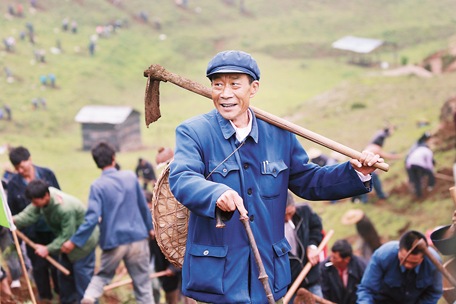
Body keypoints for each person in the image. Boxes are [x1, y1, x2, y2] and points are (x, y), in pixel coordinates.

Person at [168, 50, 383, 303]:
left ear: (253, 87)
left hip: (267, 273)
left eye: (235, 84)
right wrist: (216, 193)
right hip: (218, 278)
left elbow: (309, 181)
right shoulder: (194, 132)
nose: (225, 94)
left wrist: (356, 172)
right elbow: (182, 177)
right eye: (218, 84)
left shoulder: (280, 134)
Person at [61, 141, 154, 304]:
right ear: (113, 157)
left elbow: (91, 219)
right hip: (138, 238)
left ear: (96, 162)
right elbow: (142, 206)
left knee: (102, 276)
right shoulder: (130, 177)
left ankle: (89, 296)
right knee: (143, 285)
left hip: (114, 240)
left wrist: (74, 241)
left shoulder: (97, 186)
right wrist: (150, 228)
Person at [13, 179, 99, 303]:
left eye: (35, 202)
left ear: (46, 196)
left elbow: (67, 235)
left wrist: (47, 249)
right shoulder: (43, 198)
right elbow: (30, 215)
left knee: (83, 281)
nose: (34, 204)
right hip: (65, 247)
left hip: (82, 245)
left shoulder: (64, 208)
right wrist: (14, 220)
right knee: (65, 281)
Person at [7, 146, 60, 300]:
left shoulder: (47, 174)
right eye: (17, 169)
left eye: (22, 167)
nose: (20, 171)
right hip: (32, 234)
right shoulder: (13, 184)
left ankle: (61, 294)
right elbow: (13, 210)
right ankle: (45, 298)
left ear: (29, 160)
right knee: (39, 267)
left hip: (52, 230)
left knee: (57, 263)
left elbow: (58, 195)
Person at [356, 230, 443, 304]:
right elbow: (367, 289)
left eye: (414, 262)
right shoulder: (383, 255)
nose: (408, 265)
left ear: (423, 257)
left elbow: (434, 292)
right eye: (403, 259)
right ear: (399, 248)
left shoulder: (434, 263)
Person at [284, 191, 323, 301]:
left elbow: (316, 228)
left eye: (290, 213)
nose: (287, 218)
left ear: (294, 204)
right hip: (290, 286)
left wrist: (312, 246)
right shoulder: (271, 225)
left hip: (311, 279)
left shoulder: (304, 211)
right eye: (284, 215)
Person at [352, 127, 401, 203]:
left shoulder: (371, 145)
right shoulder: (376, 148)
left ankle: (366, 200)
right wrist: (397, 157)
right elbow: (385, 156)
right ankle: (375, 197)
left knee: (366, 181)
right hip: (363, 167)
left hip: (362, 166)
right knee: (368, 181)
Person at [320, 239, 367, 304]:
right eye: (331, 256)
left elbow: (366, 290)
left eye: (335, 258)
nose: (331, 259)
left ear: (347, 259)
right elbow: (324, 291)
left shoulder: (361, 267)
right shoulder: (325, 268)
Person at [405, 132, 435, 198]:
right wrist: (431, 172)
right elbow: (429, 164)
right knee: (430, 173)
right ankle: (431, 186)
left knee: (416, 180)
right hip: (417, 163)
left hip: (409, 163)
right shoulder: (428, 151)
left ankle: (419, 195)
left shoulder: (419, 148)